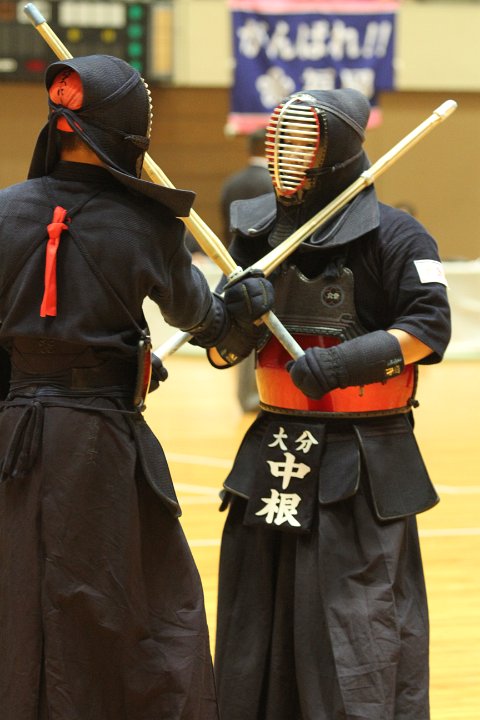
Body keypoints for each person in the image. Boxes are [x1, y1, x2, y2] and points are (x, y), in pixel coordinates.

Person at [0, 54, 273, 720]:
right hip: (99, 445)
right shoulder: (148, 225)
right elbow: (212, 328)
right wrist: (245, 305)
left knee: (17, 595)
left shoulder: (4, 210)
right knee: (135, 610)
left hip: (11, 441)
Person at [207, 89, 451, 720]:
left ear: (336, 151)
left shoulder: (400, 236)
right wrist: (232, 318)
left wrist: (342, 364)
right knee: (254, 629)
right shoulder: (255, 233)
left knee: (357, 626)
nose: (287, 157)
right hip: (274, 452)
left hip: (363, 460)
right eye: (281, 142)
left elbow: (429, 329)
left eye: (303, 145)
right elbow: (226, 351)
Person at [220, 129, 274, 412]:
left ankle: (246, 398)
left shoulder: (232, 183)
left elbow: (224, 225)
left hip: (235, 265)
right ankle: (266, 395)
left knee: (242, 331)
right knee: (266, 332)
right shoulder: (275, 183)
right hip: (269, 267)